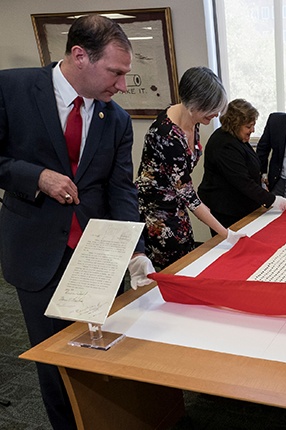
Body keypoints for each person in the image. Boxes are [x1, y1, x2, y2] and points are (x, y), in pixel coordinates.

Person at [0, 15, 155, 429]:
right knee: (57, 363)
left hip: (98, 254)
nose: (122, 85)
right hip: (37, 254)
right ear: (80, 56)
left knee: (105, 352)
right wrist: (35, 177)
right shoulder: (11, 88)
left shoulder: (116, 120)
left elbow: (121, 188)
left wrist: (135, 250)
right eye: (116, 72)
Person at [135, 67, 244, 268]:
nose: (216, 115)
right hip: (157, 213)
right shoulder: (166, 135)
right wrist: (226, 233)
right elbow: (189, 196)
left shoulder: (193, 119)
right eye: (212, 109)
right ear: (195, 104)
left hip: (176, 205)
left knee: (186, 260)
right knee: (173, 269)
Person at [198, 99, 286, 229]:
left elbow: (252, 165)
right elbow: (242, 182)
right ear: (235, 124)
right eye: (248, 126)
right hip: (227, 211)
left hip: (242, 206)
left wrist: (262, 183)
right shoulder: (224, 145)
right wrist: (273, 200)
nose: (252, 130)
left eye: (253, 125)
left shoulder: (238, 138)